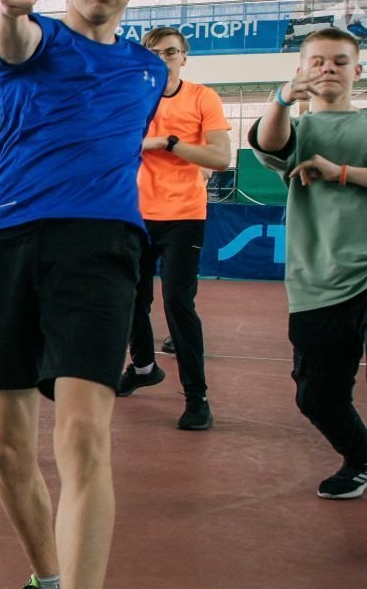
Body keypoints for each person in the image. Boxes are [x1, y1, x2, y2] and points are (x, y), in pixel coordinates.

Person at [0, 0, 166, 589]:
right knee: (7, 448)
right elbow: (12, 41)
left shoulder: (149, 69)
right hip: (5, 243)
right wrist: (9, 8)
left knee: (82, 437)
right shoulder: (36, 38)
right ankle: (47, 581)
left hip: (100, 247)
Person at [248, 27, 367, 499]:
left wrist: (341, 172)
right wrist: (281, 98)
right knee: (316, 395)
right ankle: (361, 457)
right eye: (317, 61)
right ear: (300, 70)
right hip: (319, 282)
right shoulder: (297, 130)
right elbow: (271, 143)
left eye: (339, 61)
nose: (328, 68)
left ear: (357, 71)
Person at [119, 27, 231, 431]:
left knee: (178, 303)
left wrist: (168, 143)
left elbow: (220, 158)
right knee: (130, 298)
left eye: (170, 52)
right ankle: (144, 367)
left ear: (184, 56)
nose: (162, 59)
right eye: (154, 52)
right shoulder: (129, 98)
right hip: (134, 214)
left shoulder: (202, 97)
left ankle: (196, 397)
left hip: (184, 215)